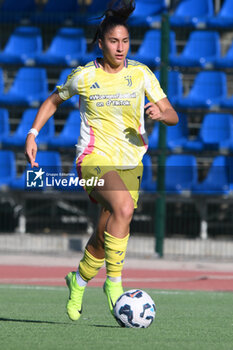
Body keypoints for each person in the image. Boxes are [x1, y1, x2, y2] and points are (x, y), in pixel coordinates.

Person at [25, 0, 179, 322]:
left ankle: (78, 280)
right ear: (101, 43)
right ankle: (114, 283)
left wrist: (161, 114)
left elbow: (173, 114)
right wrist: (32, 133)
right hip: (92, 159)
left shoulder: (140, 74)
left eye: (125, 41)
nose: (120, 47)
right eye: (113, 41)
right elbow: (52, 101)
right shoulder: (83, 76)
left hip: (130, 161)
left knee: (107, 228)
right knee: (123, 209)